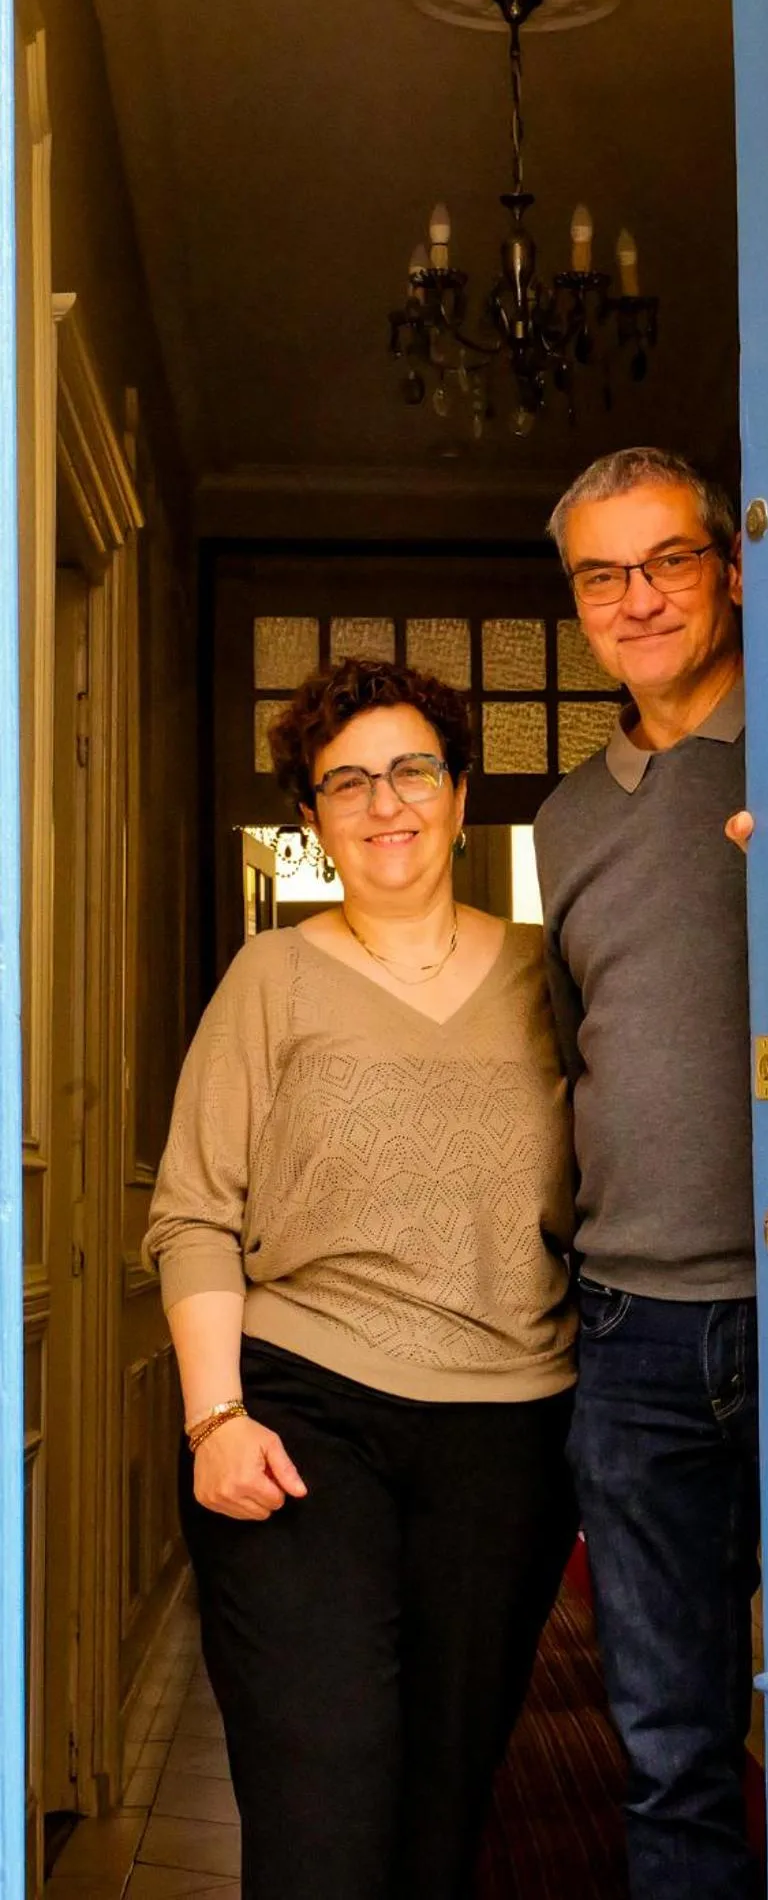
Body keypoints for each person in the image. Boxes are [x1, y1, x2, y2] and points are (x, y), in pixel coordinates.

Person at [144, 659, 577, 1900]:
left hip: (508, 1433)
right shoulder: (270, 980)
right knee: (321, 1799)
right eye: (348, 781)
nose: (385, 802)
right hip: (301, 1420)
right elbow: (193, 1211)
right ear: (314, 817)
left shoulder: (549, 973)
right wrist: (214, 1416)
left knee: (443, 1814)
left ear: (456, 794)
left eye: (411, 771)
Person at [534, 447, 758, 1898]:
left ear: (730, 568)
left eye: (668, 559)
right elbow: (573, 1053)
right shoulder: (564, 821)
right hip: (632, 1335)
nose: (640, 598)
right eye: (603, 575)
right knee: (670, 1745)